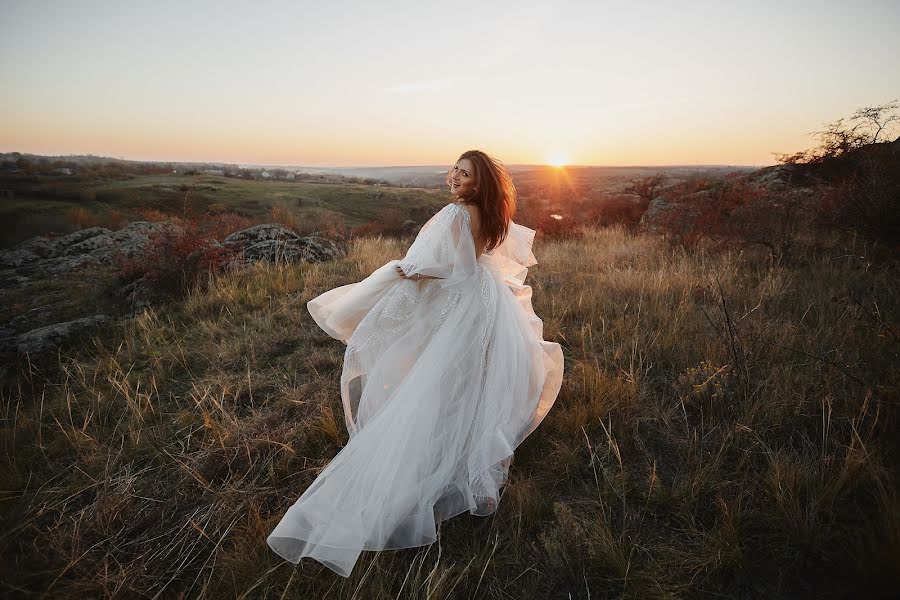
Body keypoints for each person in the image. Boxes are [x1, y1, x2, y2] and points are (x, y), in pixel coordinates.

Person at [267, 149, 564, 578]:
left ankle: (431, 469)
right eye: (455, 171)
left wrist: (419, 273)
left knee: (433, 383)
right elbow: (476, 265)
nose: (455, 179)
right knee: (471, 384)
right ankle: (468, 456)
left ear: (478, 183)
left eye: (464, 175)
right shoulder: (488, 212)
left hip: (465, 302)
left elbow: (459, 271)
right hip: (487, 300)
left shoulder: (459, 214)